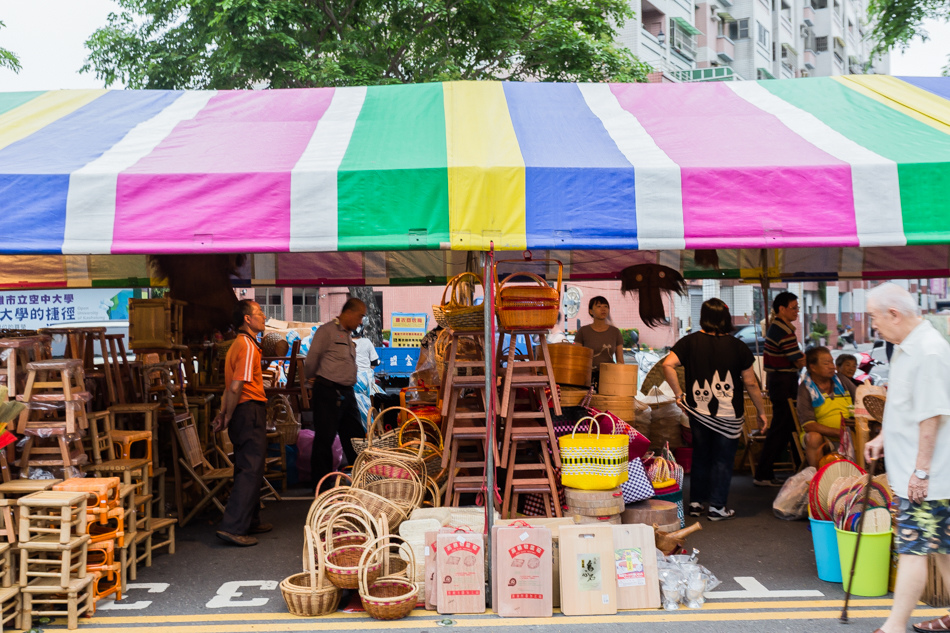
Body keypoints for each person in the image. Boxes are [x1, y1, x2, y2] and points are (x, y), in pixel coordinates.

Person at [863, 283, 950, 633]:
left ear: (894, 314)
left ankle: (894, 625)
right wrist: (885, 436)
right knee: (942, 550)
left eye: (874, 318)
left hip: (927, 478)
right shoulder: (907, 346)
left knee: (913, 549)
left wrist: (920, 472)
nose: (874, 326)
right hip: (922, 474)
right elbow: (906, 406)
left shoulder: (928, 351)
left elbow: (932, 415)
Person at [662, 298, 767, 521]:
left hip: (699, 412)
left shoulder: (689, 342)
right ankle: (717, 507)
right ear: (726, 319)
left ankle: (696, 503)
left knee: (701, 456)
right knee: (722, 459)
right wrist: (762, 411)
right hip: (729, 415)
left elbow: (667, 364)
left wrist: (679, 394)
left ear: (704, 317)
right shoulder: (738, 346)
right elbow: (750, 383)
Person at [212, 300, 271, 547]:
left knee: (248, 467)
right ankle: (234, 526)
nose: (264, 316)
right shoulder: (246, 345)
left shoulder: (238, 345)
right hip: (248, 411)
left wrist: (224, 413)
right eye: (259, 312)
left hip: (241, 411)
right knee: (250, 469)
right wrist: (228, 414)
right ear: (247, 319)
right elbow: (236, 386)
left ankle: (251, 519)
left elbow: (229, 388)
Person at [305, 298, 367, 491]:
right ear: (348, 312)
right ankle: (321, 485)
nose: (361, 321)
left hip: (347, 393)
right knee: (325, 439)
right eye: (360, 316)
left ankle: (362, 481)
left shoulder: (348, 335)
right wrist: (316, 380)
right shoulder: (326, 332)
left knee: (356, 438)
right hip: (328, 392)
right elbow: (311, 362)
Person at [755, 291, 805, 487]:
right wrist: (809, 360)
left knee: (790, 427)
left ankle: (800, 470)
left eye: (797, 308)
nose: (797, 312)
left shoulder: (780, 327)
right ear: (781, 309)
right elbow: (797, 359)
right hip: (782, 382)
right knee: (780, 429)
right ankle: (762, 474)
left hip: (782, 381)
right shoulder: (781, 329)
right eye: (794, 308)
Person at [797, 346, 856, 468]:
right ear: (813, 367)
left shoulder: (842, 380)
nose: (832, 367)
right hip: (824, 437)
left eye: (832, 362)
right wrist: (838, 433)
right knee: (813, 437)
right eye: (826, 363)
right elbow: (809, 425)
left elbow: (860, 400)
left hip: (849, 433)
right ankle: (819, 478)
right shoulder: (806, 388)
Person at [574, 296, 624, 384]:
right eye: (599, 306)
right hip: (588, 377)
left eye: (606, 306)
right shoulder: (583, 331)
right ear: (591, 311)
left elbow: (620, 360)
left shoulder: (615, 332)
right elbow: (577, 358)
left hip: (609, 377)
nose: (603, 309)